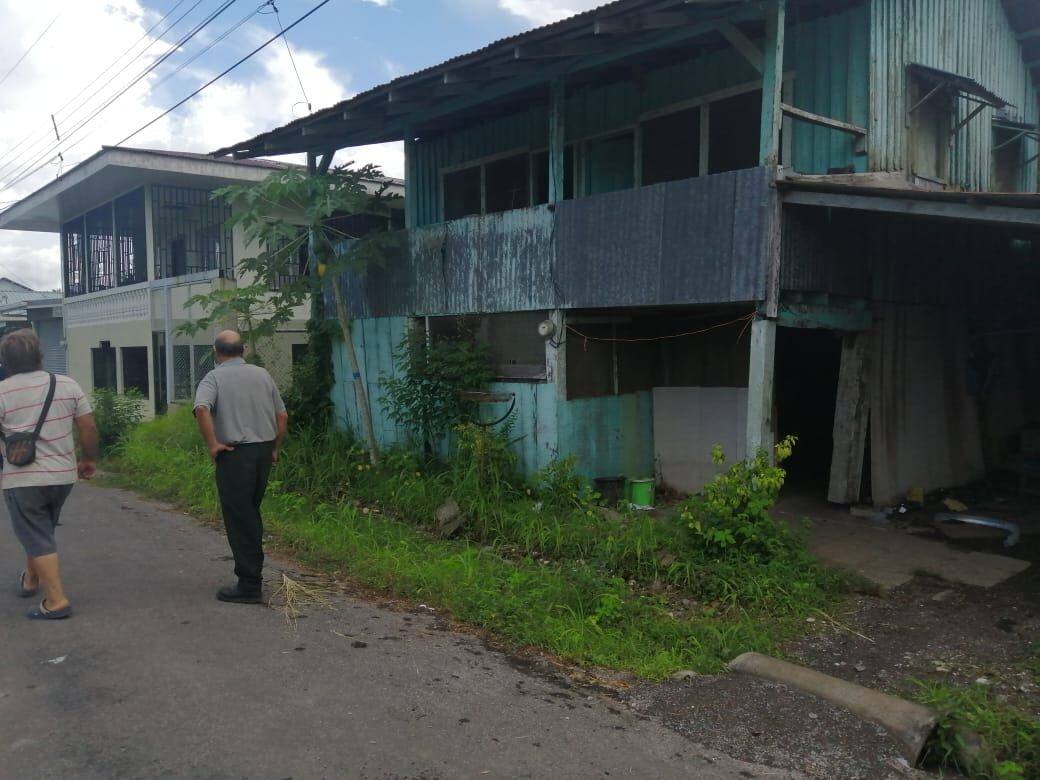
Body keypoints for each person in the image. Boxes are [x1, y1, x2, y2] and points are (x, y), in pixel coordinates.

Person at [0, 329, 97, 620]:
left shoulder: (2, 391)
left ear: (6, 362)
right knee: (40, 529)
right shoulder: (66, 384)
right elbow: (88, 426)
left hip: (23, 478)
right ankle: (31, 579)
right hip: (62, 477)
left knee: (35, 531)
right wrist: (88, 459)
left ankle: (56, 600)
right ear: (39, 356)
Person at [194, 330, 287, 604]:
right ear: (242, 350)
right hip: (262, 452)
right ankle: (252, 575)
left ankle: (249, 584)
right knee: (250, 512)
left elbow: (201, 409)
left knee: (240, 517)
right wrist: (273, 448)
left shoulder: (214, 378)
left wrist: (213, 445)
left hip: (235, 454)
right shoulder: (262, 374)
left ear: (216, 352)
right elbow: (282, 415)